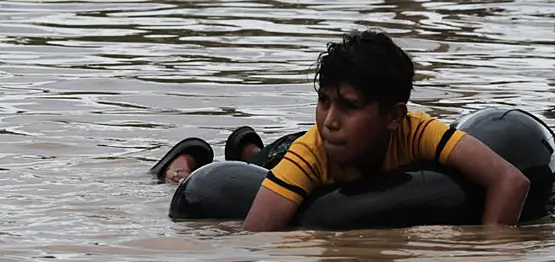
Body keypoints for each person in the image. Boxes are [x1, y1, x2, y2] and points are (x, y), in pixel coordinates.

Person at [153, 30, 530, 229]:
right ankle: (193, 158)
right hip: (286, 154)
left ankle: (248, 149)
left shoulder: (417, 131)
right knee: (257, 170)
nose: (330, 118)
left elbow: (511, 181)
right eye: (324, 101)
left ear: (394, 116)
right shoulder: (311, 151)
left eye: (349, 106)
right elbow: (258, 239)